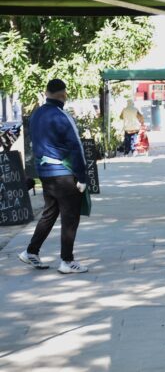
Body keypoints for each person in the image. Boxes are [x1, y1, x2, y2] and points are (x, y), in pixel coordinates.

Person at [18, 79, 90, 274]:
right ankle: (67, 261)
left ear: (46, 92)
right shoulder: (62, 115)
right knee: (70, 217)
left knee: (50, 213)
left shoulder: (36, 114)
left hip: (45, 173)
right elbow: (77, 147)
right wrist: (83, 177)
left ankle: (31, 251)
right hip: (64, 174)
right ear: (63, 95)